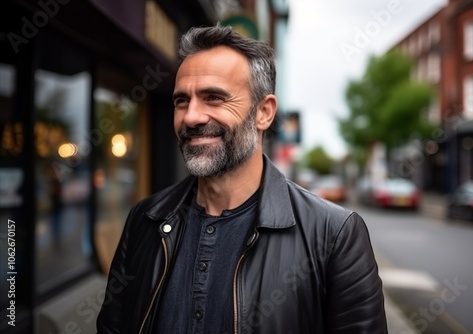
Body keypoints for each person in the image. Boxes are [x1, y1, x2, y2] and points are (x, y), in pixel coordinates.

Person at [96, 24, 387, 334]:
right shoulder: (145, 219)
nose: (191, 116)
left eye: (214, 98)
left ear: (264, 112)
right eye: (182, 101)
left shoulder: (334, 235)